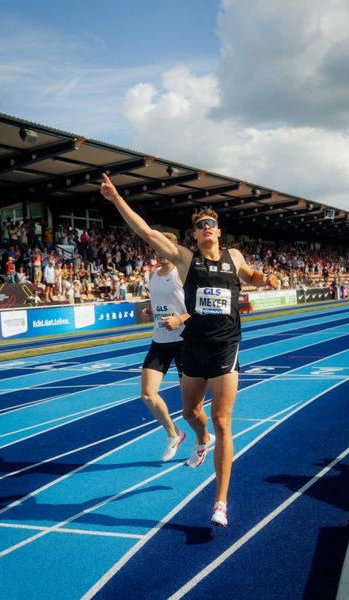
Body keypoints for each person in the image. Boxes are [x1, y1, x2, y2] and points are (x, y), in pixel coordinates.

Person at [100, 173, 279, 528]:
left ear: (219, 230)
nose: (207, 227)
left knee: (223, 421)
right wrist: (117, 198)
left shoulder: (234, 255)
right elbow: (147, 234)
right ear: (194, 234)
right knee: (189, 412)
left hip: (226, 347)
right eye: (200, 225)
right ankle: (200, 440)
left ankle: (220, 502)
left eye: (211, 223)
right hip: (192, 346)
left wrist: (265, 279)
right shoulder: (185, 260)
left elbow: (248, 274)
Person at [141, 232, 189, 462]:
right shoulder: (153, 275)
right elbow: (159, 301)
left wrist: (180, 319)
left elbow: (198, 308)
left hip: (183, 341)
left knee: (189, 402)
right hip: (159, 340)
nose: (159, 253)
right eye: (156, 248)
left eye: (164, 248)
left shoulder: (182, 273)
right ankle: (173, 434)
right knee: (148, 395)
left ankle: (201, 438)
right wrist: (152, 310)